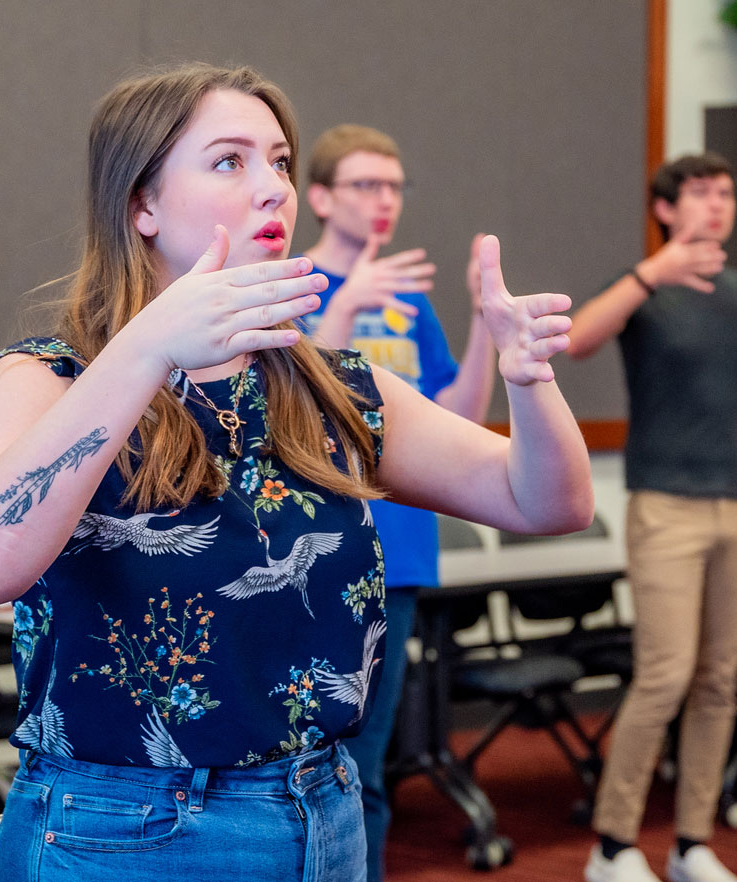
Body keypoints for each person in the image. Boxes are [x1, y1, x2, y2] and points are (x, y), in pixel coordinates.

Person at [0, 62, 593, 882]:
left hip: (321, 814)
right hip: (119, 833)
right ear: (140, 205)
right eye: (229, 161)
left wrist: (528, 382)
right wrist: (146, 347)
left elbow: (546, 501)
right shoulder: (43, 379)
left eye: (280, 161)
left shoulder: (330, 387)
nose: (273, 189)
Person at [569, 152, 737, 882]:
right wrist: (653, 273)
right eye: (701, 194)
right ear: (666, 209)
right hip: (666, 508)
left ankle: (692, 842)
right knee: (665, 676)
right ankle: (612, 846)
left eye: (727, 194)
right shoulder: (643, 291)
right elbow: (578, 339)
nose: (718, 205)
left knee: (719, 679)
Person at [299, 123, 496, 882]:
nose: (385, 201)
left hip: (400, 554)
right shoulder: (288, 282)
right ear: (319, 196)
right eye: (365, 185)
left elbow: (459, 418)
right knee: (302, 766)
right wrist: (345, 306)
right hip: (311, 556)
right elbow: (297, 409)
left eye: (394, 186)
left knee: (363, 768)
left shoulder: (409, 303)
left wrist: (484, 319)